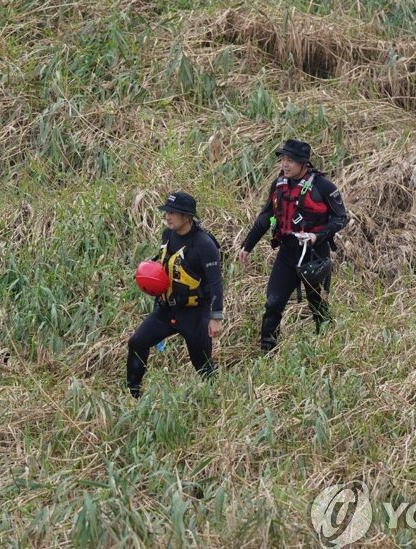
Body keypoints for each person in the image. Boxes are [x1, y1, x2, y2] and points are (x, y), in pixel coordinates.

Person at [239, 139, 348, 352]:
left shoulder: (323, 186)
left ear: (304, 163)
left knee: (317, 304)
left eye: (290, 160)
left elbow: (340, 219)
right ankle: (267, 352)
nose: (285, 165)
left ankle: (326, 348)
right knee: (273, 303)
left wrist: (317, 236)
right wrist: (247, 245)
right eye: (283, 160)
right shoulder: (279, 184)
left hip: (315, 254)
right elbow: (266, 217)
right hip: (287, 253)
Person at [126, 192, 224, 398]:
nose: (168, 216)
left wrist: (216, 318)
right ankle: (133, 394)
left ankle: (218, 401)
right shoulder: (167, 234)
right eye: (167, 211)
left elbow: (215, 283)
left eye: (173, 212)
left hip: (195, 315)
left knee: (203, 366)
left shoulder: (204, 244)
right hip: (166, 310)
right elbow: (165, 266)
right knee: (137, 342)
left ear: (188, 217)